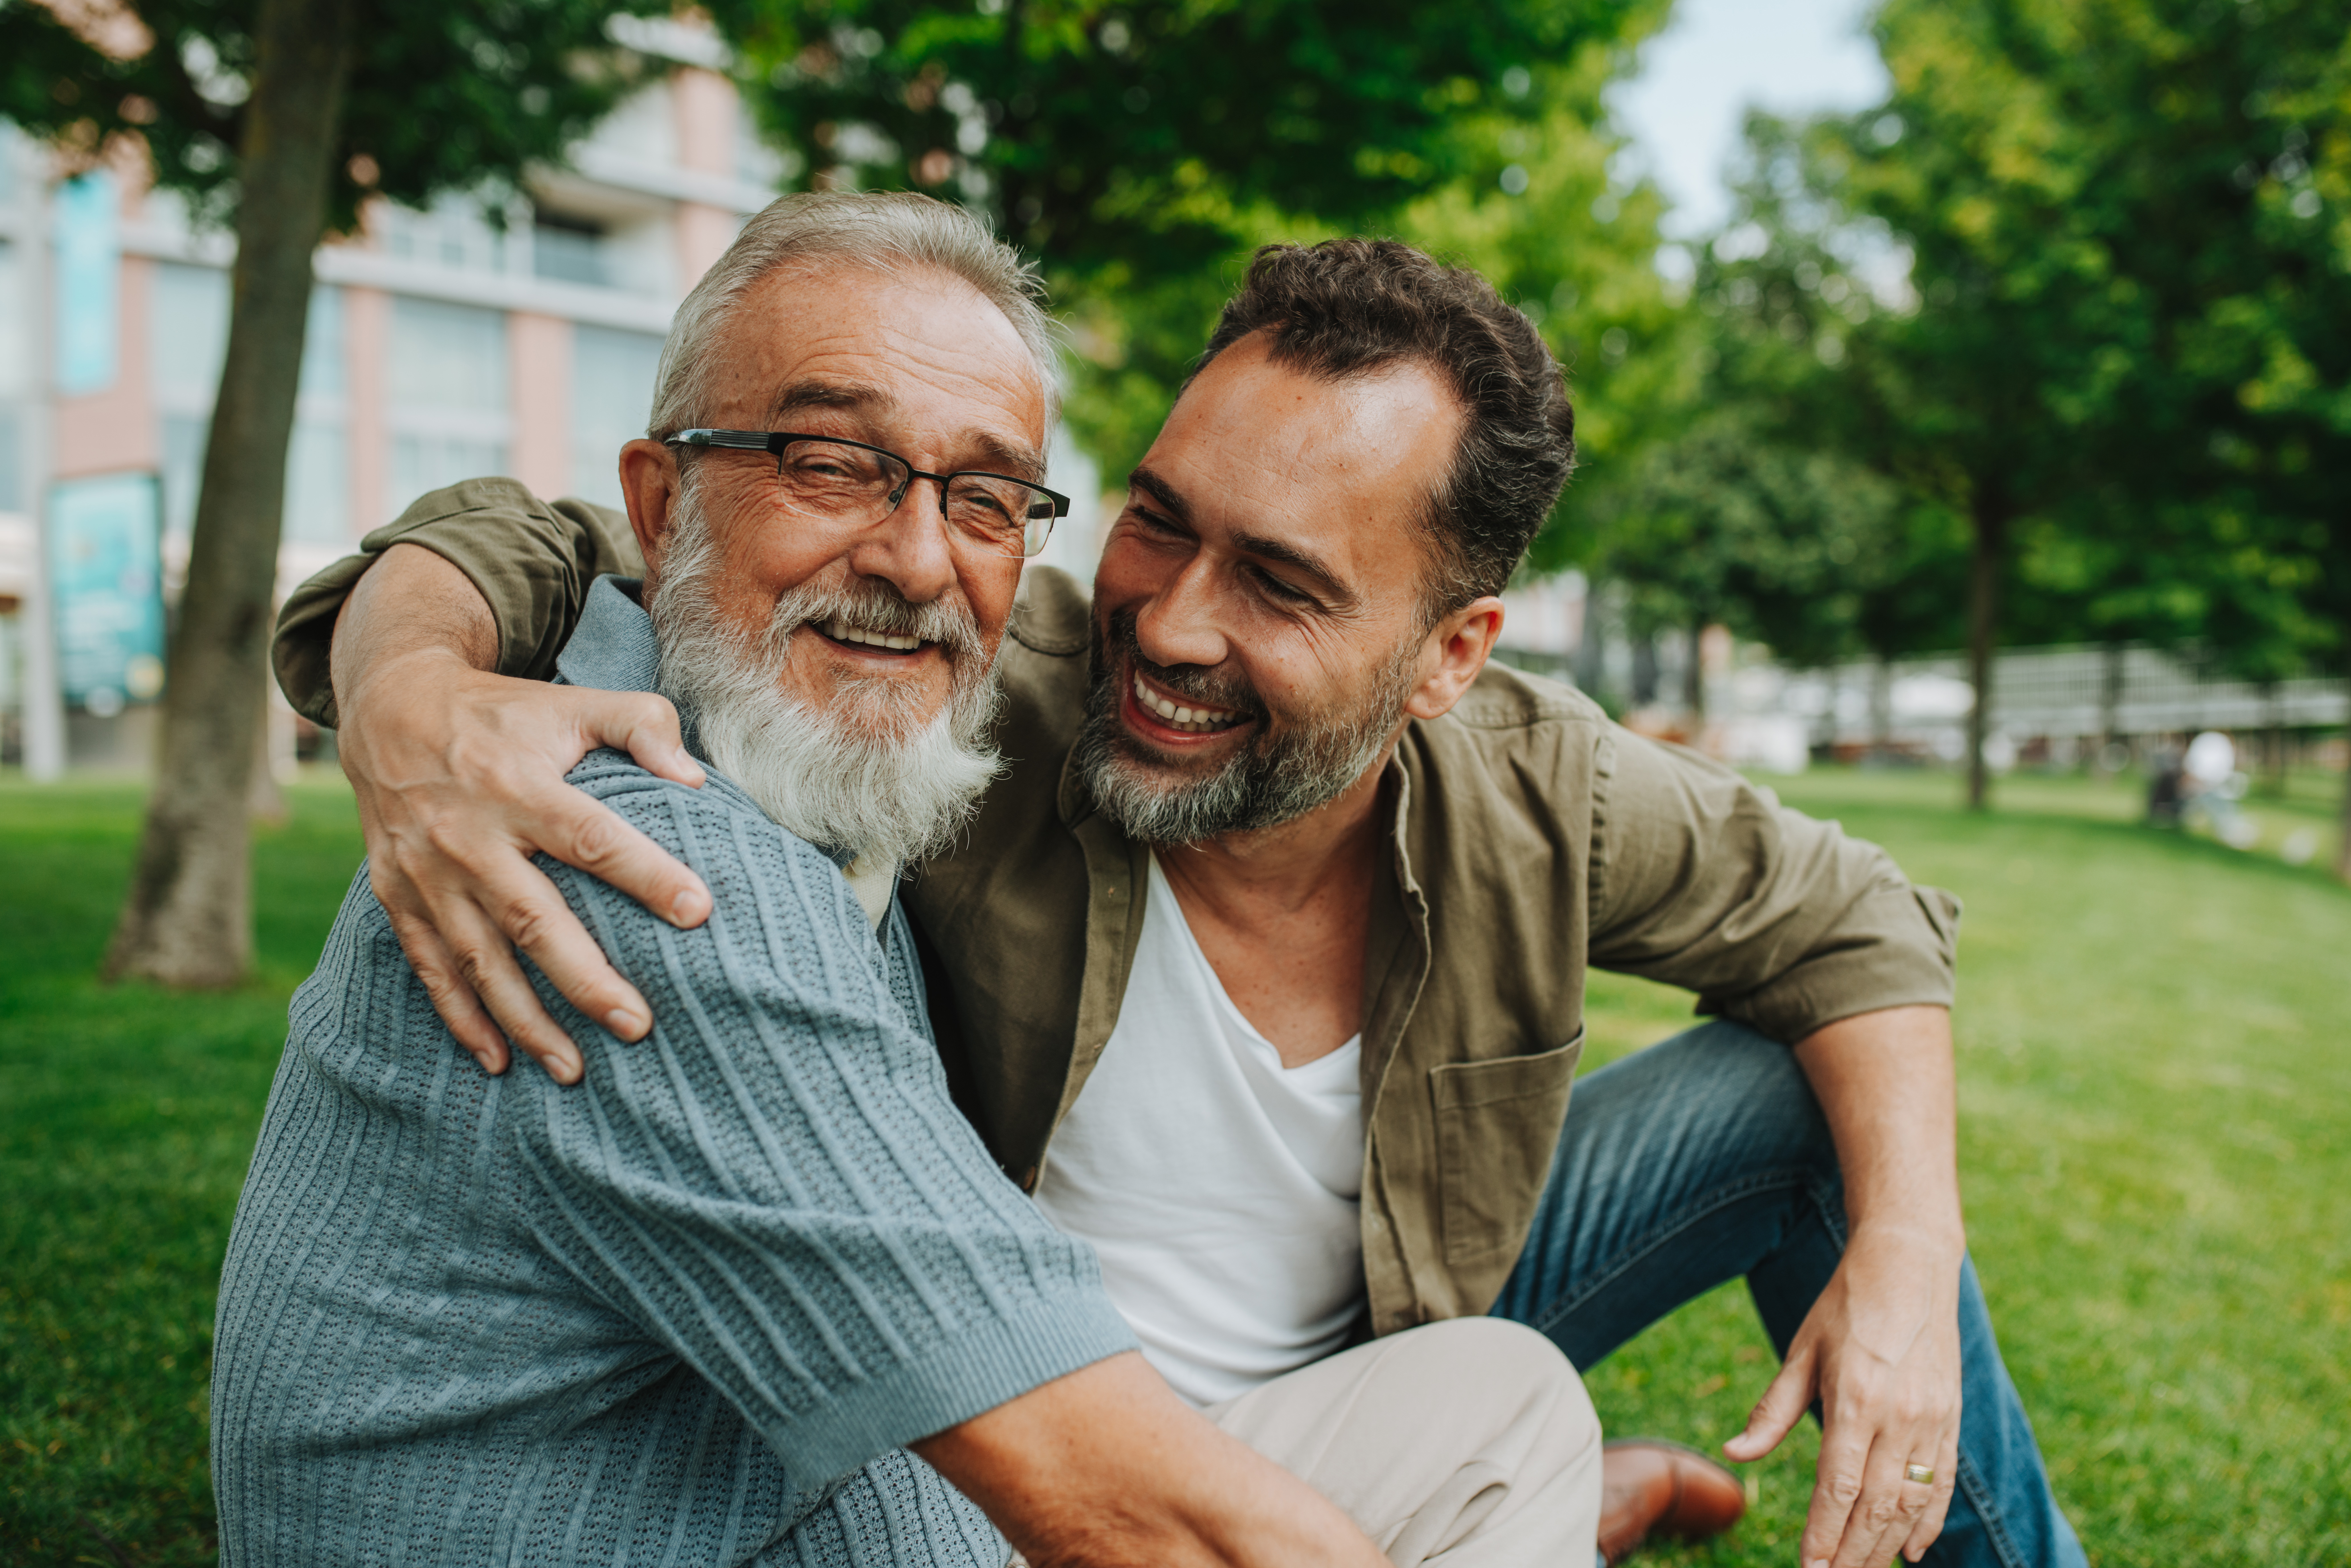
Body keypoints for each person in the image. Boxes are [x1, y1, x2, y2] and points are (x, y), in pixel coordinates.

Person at [280, 220, 2086, 1568]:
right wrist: (409, 689)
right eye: (1160, 520)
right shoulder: (968, 670)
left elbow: (1864, 925)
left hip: (1371, 1326)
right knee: (1463, 1448)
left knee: (1781, 1123)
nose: (1173, 623)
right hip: (1039, 1395)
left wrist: (1906, 1259)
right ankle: (1547, 1508)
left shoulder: (1541, 786)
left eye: (1283, 585)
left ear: (1449, 654)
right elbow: (576, 544)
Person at [216, 192, 1608, 1568]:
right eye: (832, 465)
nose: (920, 559)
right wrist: (402, 671)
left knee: (1500, 1403)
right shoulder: (648, 875)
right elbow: (1131, 1514)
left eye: (988, 497)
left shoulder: (801, 791)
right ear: (662, 504)